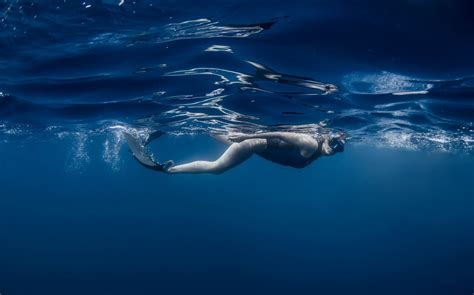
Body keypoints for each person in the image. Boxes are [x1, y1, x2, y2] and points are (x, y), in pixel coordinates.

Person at [124, 130, 345, 174]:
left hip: (255, 147)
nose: (333, 150)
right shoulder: (309, 142)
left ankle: (200, 127)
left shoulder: (319, 151)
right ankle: (169, 170)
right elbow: (279, 133)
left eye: (338, 149)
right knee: (217, 168)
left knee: (213, 132)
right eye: (333, 144)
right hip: (252, 144)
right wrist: (246, 138)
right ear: (326, 138)